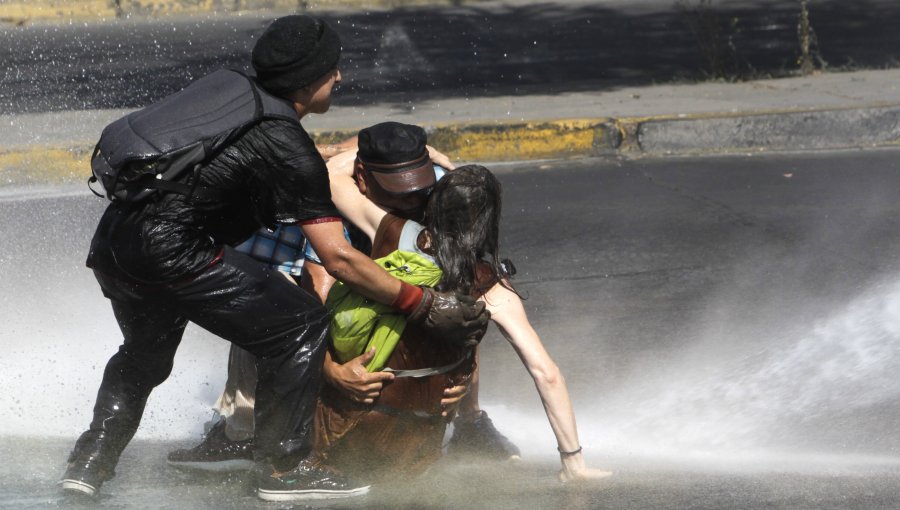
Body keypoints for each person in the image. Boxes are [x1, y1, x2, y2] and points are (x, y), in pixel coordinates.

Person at [59, 15, 488, 501]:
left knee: (143, 357)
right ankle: (284, 471)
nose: (341, 78)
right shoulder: (288, 146)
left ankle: (89, 465)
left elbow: (271, 149)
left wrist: (351, 147)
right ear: (309, 81)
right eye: (333, 71)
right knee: (301, 325)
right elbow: (339, 259)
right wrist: (421, 304)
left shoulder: (235, 94)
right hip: (176, 251)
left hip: (116, 241)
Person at [167, 124, 520, 473]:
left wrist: (458, 381)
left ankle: (472, 422)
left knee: (457, 299)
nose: (409, 203)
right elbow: (317, 303)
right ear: (362, 179)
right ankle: (238, 428)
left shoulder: (435, 189)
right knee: (270, 305)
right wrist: (333, 371)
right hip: (285, 262)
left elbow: (467, 301)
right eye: (396, 193)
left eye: (416, 190)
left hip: (385, 266)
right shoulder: (327, 206)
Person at [299, 140, 611, 488]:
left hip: (345, 429)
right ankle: (470, 423)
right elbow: (547, 374)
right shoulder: (490, 285)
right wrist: (573, 461)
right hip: (415, 450)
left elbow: (329, 176)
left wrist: (429, 153)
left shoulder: (390, 231)